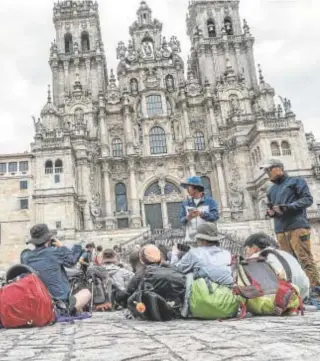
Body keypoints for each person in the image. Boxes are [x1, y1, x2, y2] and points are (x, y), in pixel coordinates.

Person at [260, 158, 320, 288]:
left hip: (297, 226)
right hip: (280, 230)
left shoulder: (296, 181)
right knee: (289, 262)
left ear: (278, 168)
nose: (267, 173)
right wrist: (271, 212)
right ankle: (298, 290)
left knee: (305, 260)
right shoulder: (271, 190)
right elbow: (272, 207)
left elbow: (307, 199)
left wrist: (288, 207)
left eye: (268, 169)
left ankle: (316, 291)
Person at [21, 224, 91, 313]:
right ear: (49, 240)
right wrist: (61, 246)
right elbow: (72, 261)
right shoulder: (56, 252)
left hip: (37, 302)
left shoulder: (26, 257)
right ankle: (67, 310)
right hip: (57, 303)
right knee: (86, 292)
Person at [244, 232, 310, 301]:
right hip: (302, 295)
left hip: (284, 297)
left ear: (255, 248)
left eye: (246, 250)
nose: (246, 254)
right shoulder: (285, 254)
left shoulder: (256, 257)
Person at [180, 176, 219, 242]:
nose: (187, 190)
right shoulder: (185, 204)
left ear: (196, 189)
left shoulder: (210, 201)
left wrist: (201, 214)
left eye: (188, 187)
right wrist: (188, 217)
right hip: (192, 240)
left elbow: (215, 217)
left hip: (207, 240)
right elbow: (182, 220)